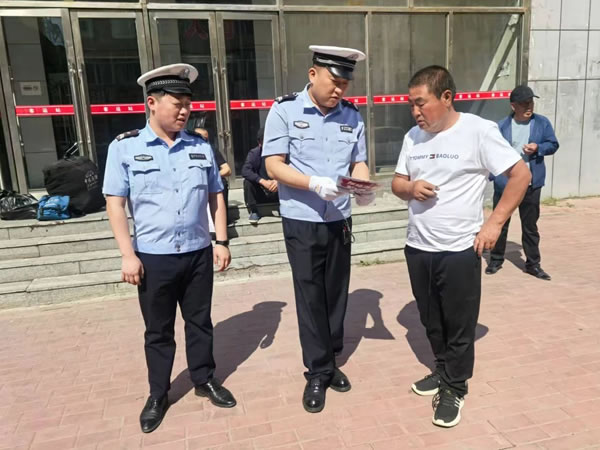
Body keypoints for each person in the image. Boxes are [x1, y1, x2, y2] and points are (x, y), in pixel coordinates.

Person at [391, 66, 530, 428]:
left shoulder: (478, 131)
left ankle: (455, 386)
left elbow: (520, 175)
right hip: (418, 246)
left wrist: (494, 223)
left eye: (421, 103)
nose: (415, 112)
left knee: (459, 323)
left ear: (447, 97)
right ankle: (442, 369)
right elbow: (397, 183)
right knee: (430, 319)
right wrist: (410, 188)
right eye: (411, 105)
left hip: (459, 250)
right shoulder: (413, 137)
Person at [102, 63, 237, 434]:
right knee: (158, 331)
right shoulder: (125, 147)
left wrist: (221, 240)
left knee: (200, 322)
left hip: (197, 253)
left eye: (188, 104)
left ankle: (204, 379)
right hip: (153, 258)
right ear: (152, 102)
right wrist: (127, 255)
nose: (185, 111)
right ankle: (158, 394)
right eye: (177, 104)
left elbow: (216, 195)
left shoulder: (200, 146)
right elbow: (115, 204)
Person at [263, 45, 375, 414]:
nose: (340, 89)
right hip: (302, 219)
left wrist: (363, 187)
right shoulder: (284, 110)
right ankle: (317, 371)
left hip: (339, 219)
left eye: (345, 83)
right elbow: (273, 165)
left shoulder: (352, 115)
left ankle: (330, 359)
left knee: (336, 293)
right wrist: (312, 183)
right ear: (313, 75)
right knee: (310, 295)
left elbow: (359, 162)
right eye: (334, 81)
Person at [486, 85, 559, 280]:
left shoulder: (542, 123)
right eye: (524, 103)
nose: (529, 107)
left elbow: (553, 144)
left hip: (531, 184)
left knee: (530, 227)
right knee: (500, 223)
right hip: (506, 184)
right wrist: (493, 176)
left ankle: (533, 265)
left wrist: (538, 148)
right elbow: (491, 152)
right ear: (513, 106)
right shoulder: (502, 126)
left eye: (531, 102)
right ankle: (496, 260)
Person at [194, 127, 233, 225]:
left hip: (210, 183)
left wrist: (211, 176)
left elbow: (227, 170)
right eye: (201, 138)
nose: (204, 141)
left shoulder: (211, 150)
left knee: (221, 183)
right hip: (195, 184)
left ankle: (222, 220)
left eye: (206, 139)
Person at [241, 127, 279, 224]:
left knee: (288, 181)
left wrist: (279, 181)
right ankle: (254, 210)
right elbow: (245, 170)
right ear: (259, 143)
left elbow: (290, 169)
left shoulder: (280, 154)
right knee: (248, 182)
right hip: (261, 191)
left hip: (277, 190)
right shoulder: (255, 153)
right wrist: (262, 181)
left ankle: (284, 207)